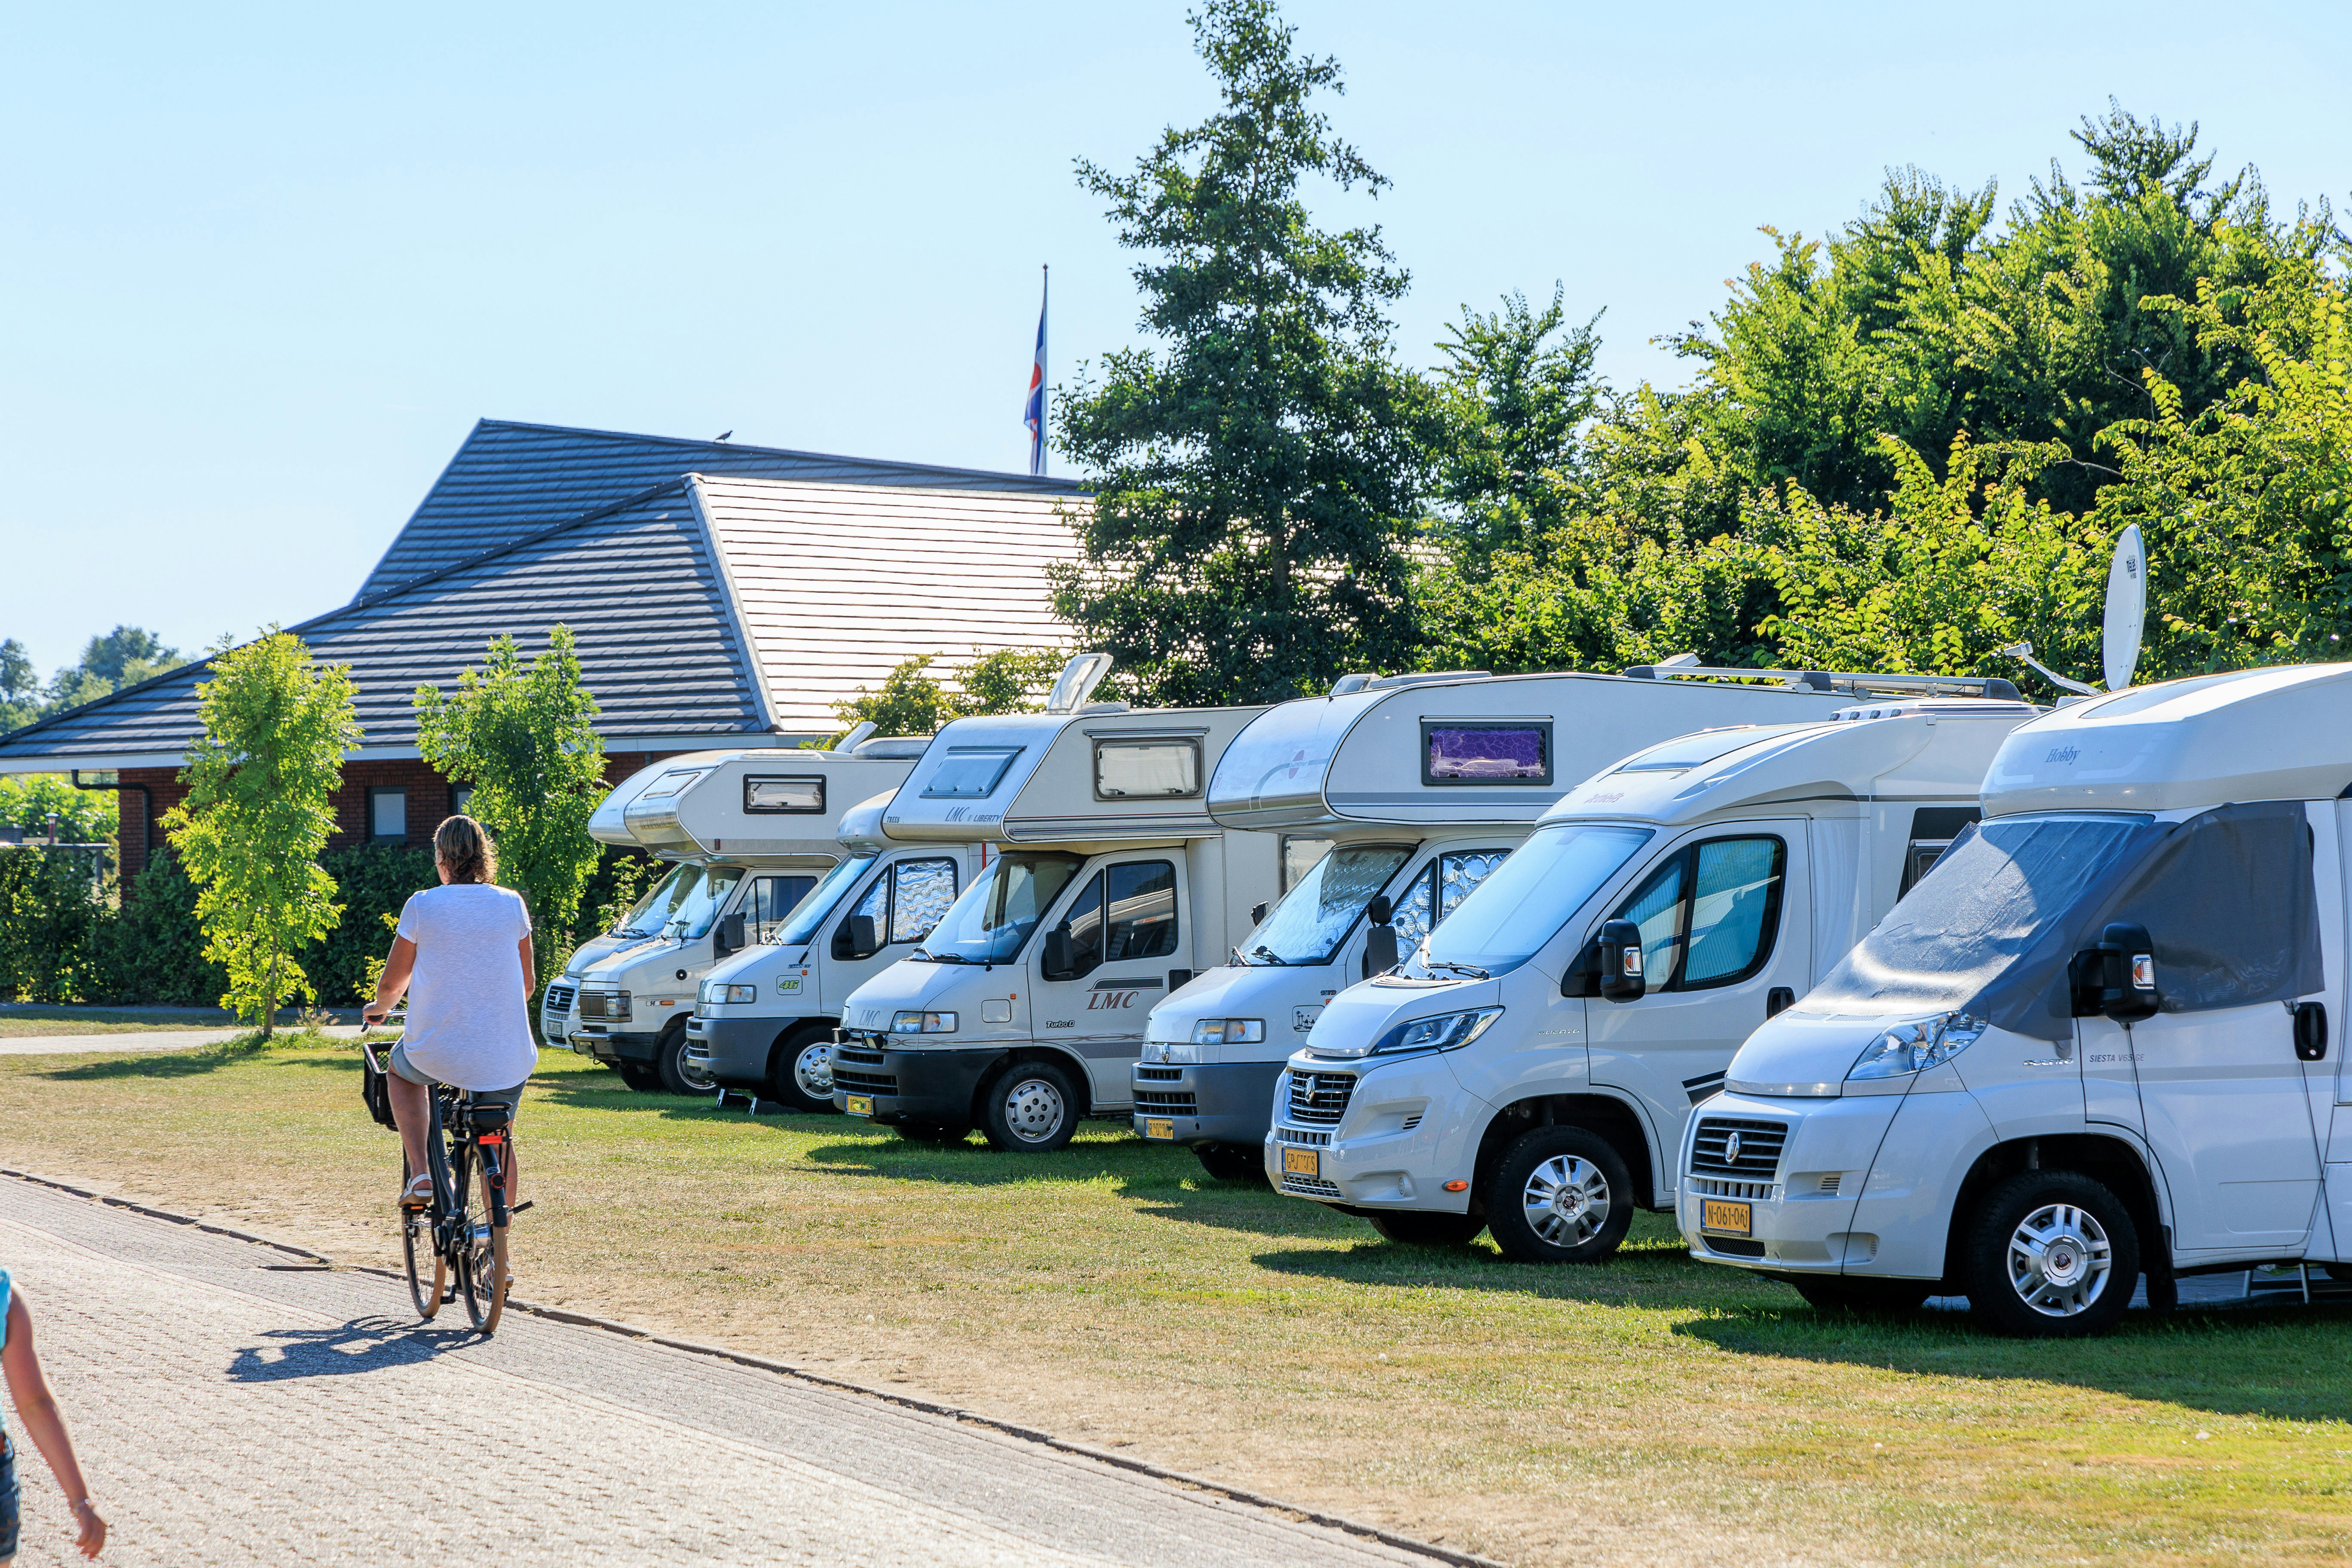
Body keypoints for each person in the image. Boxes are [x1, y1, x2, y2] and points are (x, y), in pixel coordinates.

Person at [363, 816, 537, 1211]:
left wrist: (379, 1009)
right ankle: (500, 1252)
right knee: (501, 1135)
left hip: (435, 1053)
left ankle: (422, 1174)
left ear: (442, 857)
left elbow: (393, 986)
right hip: (505, 1057)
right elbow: (526, 986)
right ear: (484, 857)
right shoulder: (512, 904)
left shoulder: (423, 905)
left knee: (399, 1071)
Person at [1, 1270, 107, 1562]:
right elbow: (35, 1404)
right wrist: (81, 1501)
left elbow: (37, 1405)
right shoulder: (5, 1297)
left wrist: (81, 1499)